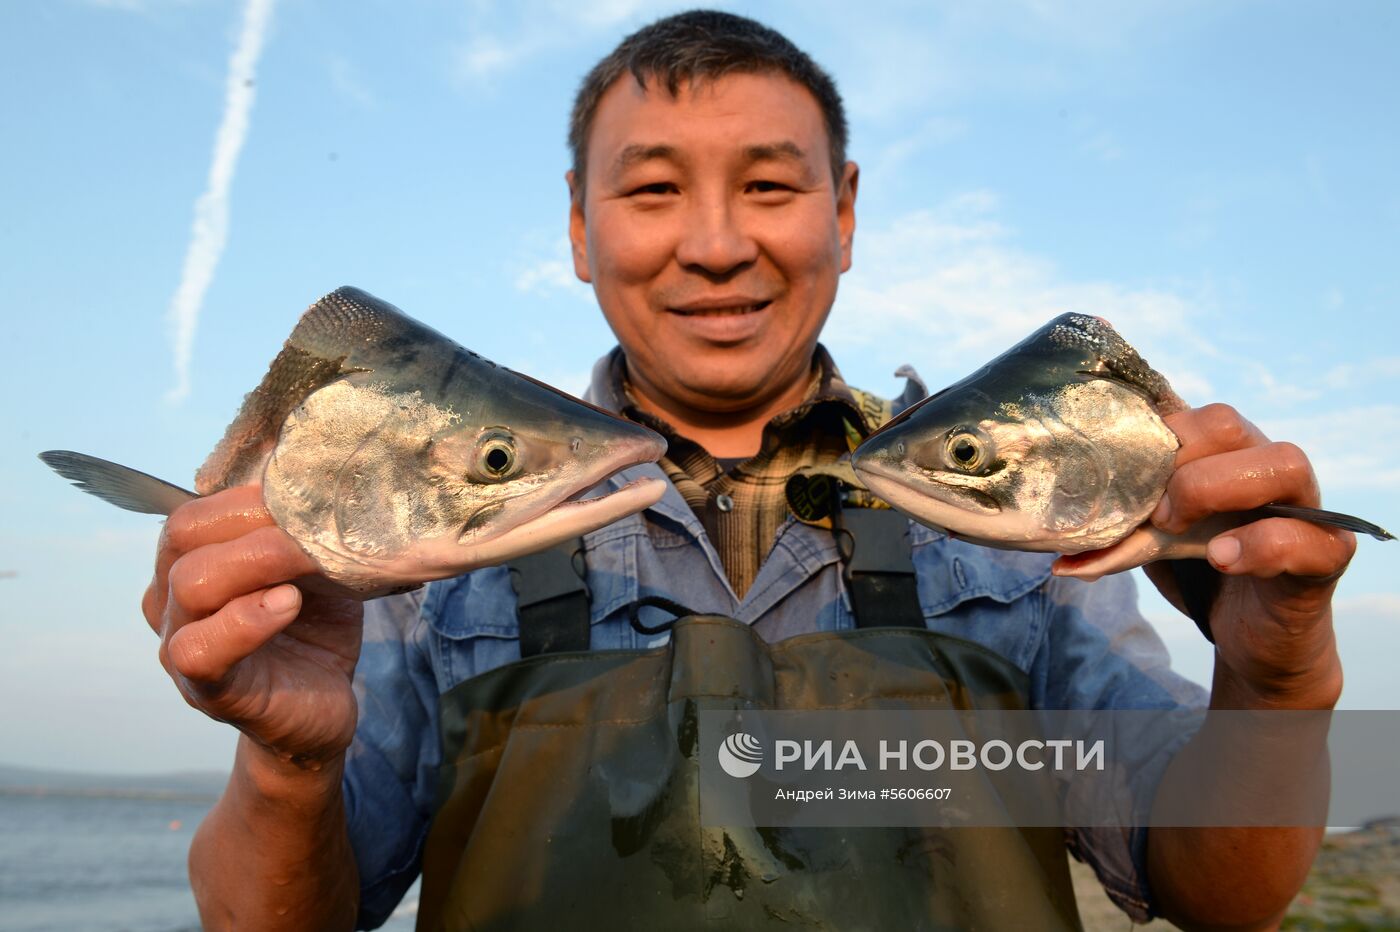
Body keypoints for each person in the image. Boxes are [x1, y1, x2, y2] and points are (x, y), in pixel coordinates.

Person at [145, 10, 1352, 930]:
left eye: (770, 185)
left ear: (845, 210)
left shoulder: (1007, 510)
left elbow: (1214, 881)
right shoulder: (438, 522)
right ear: (579, 225)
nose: (716, 244)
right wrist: (287, 757)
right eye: (653, 188)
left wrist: (1276, 679)